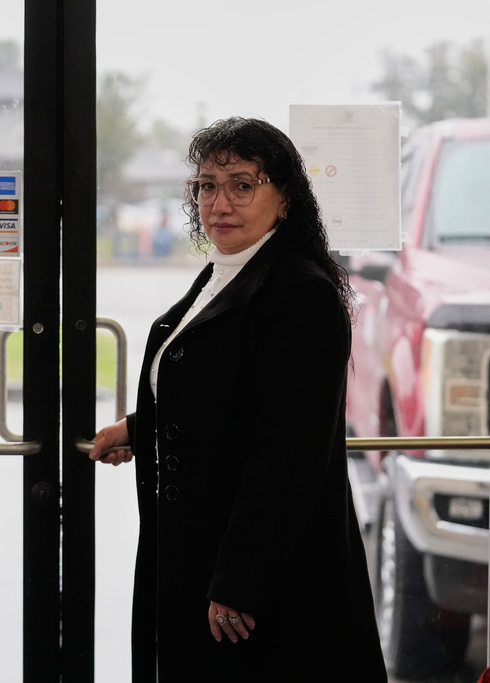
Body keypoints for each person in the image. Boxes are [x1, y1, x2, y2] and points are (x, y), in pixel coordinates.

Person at [90, 116, 387, 681]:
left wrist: (240, 582)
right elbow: (226, 391)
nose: (219, 203)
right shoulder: (227, 272)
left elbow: (289, 453)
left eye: (242, 185)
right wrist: (139, 426)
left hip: (265, 578)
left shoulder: (300, 292)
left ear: (285, 200)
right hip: (202, 546)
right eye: (207, 185)